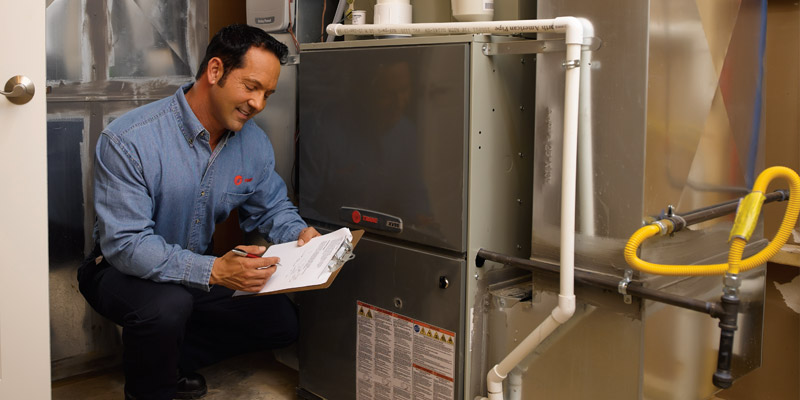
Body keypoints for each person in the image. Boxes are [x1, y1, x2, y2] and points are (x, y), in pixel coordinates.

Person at [77, 24, 320, 400]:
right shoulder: (129, 139)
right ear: (215, 71)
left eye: (267, 94)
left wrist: (300, 234)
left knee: (282, 323)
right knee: (167, 305)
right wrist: (215, 270)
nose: (259, 104)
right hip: (116, 269)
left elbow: (271, 208)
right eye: (251, 87)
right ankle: (154, 387)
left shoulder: (252, 142)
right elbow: (125, 245)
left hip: (196, 272)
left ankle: (164, 357)